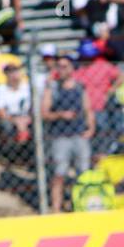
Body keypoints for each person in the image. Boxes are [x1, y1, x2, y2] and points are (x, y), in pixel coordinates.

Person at [41, 52, 95, 212]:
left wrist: (91, 128)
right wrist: (60, 115)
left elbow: (88, 109)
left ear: (72, 68)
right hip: (60, 137)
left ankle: (81, 204)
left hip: (79, 135)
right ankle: (56, 209)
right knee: (59, 174)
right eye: (59, 66)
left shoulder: (79, 87)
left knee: (83, 173)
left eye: (65, 66)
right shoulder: (53, 88)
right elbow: (44, 112)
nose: (62, 70)